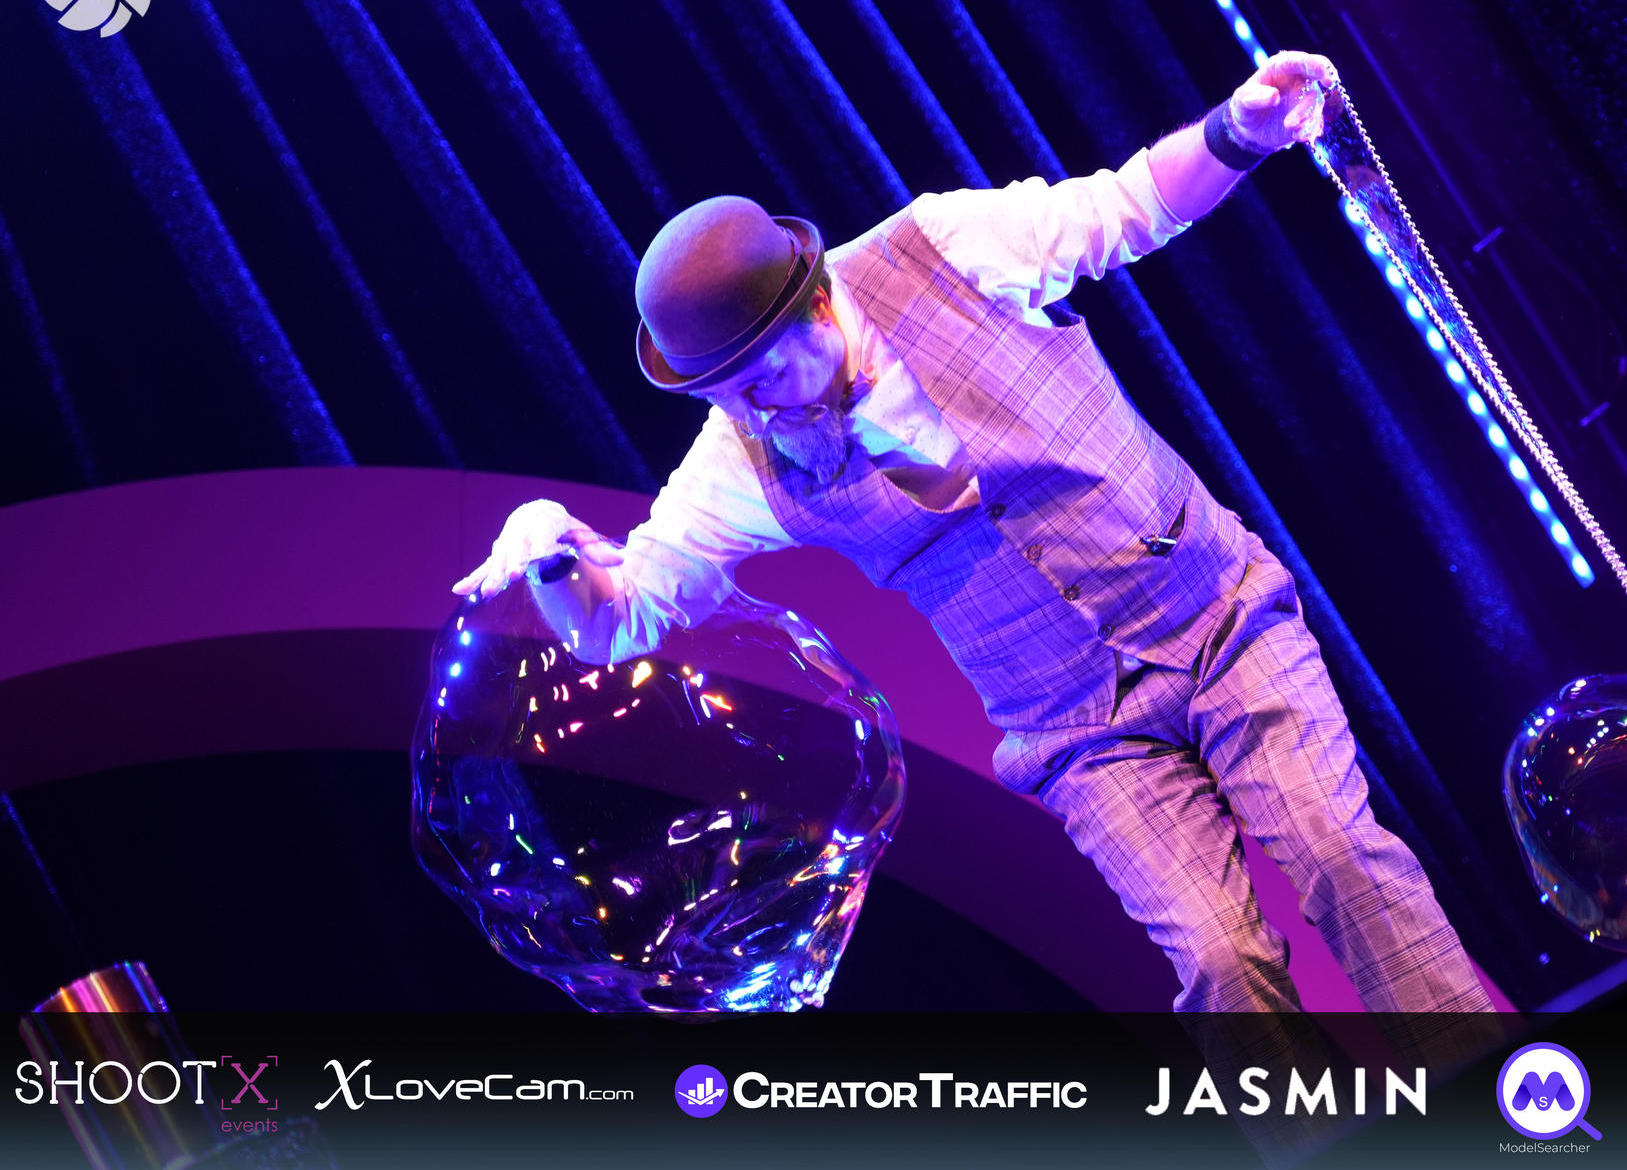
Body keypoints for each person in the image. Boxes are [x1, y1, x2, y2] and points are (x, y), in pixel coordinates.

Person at [453, 51, 1494, 1022]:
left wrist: (1237, 130)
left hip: (1217, 619)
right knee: (1221, 965)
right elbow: (619, 618)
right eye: (723, 396)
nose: (752, 413)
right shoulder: (737, 458)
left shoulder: (943, 247)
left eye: (761, 379)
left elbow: (1126, 207)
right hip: (1077, 731)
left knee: (1343, 864)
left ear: (815, 305)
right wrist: (550, 547)